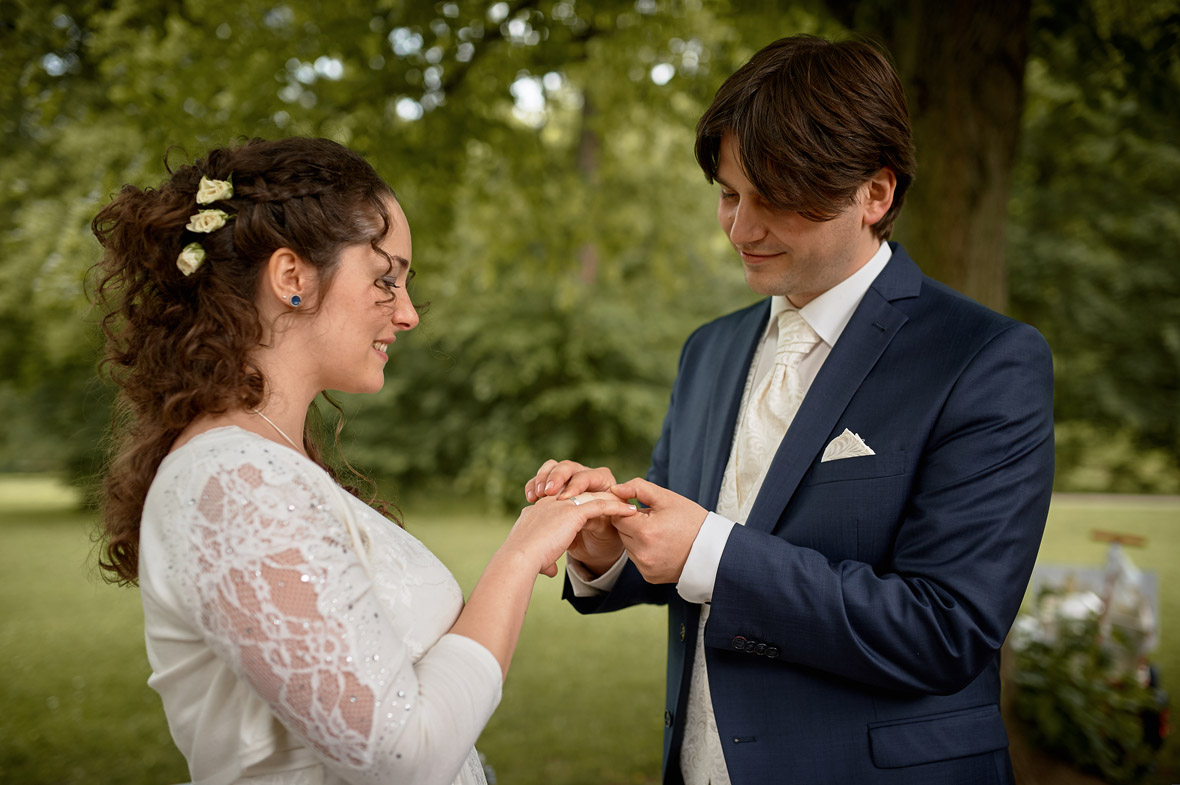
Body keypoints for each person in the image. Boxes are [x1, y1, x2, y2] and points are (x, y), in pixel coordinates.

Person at [526, 35, 1054, 784]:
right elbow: (688, 559)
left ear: (877, 193)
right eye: (730, 194)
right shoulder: (708, 350)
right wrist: (610, 549)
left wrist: (711, 548)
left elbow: (947, 629)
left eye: (775, 198)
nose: (741, 229)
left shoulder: (985, 359)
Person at [91, 136, 637, 785]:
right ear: (292, 277)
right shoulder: (231, 481)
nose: (407, 313)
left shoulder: (269, 466)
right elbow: (402, 758)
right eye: (386, 278)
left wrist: (558, 522)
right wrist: (520, 556)